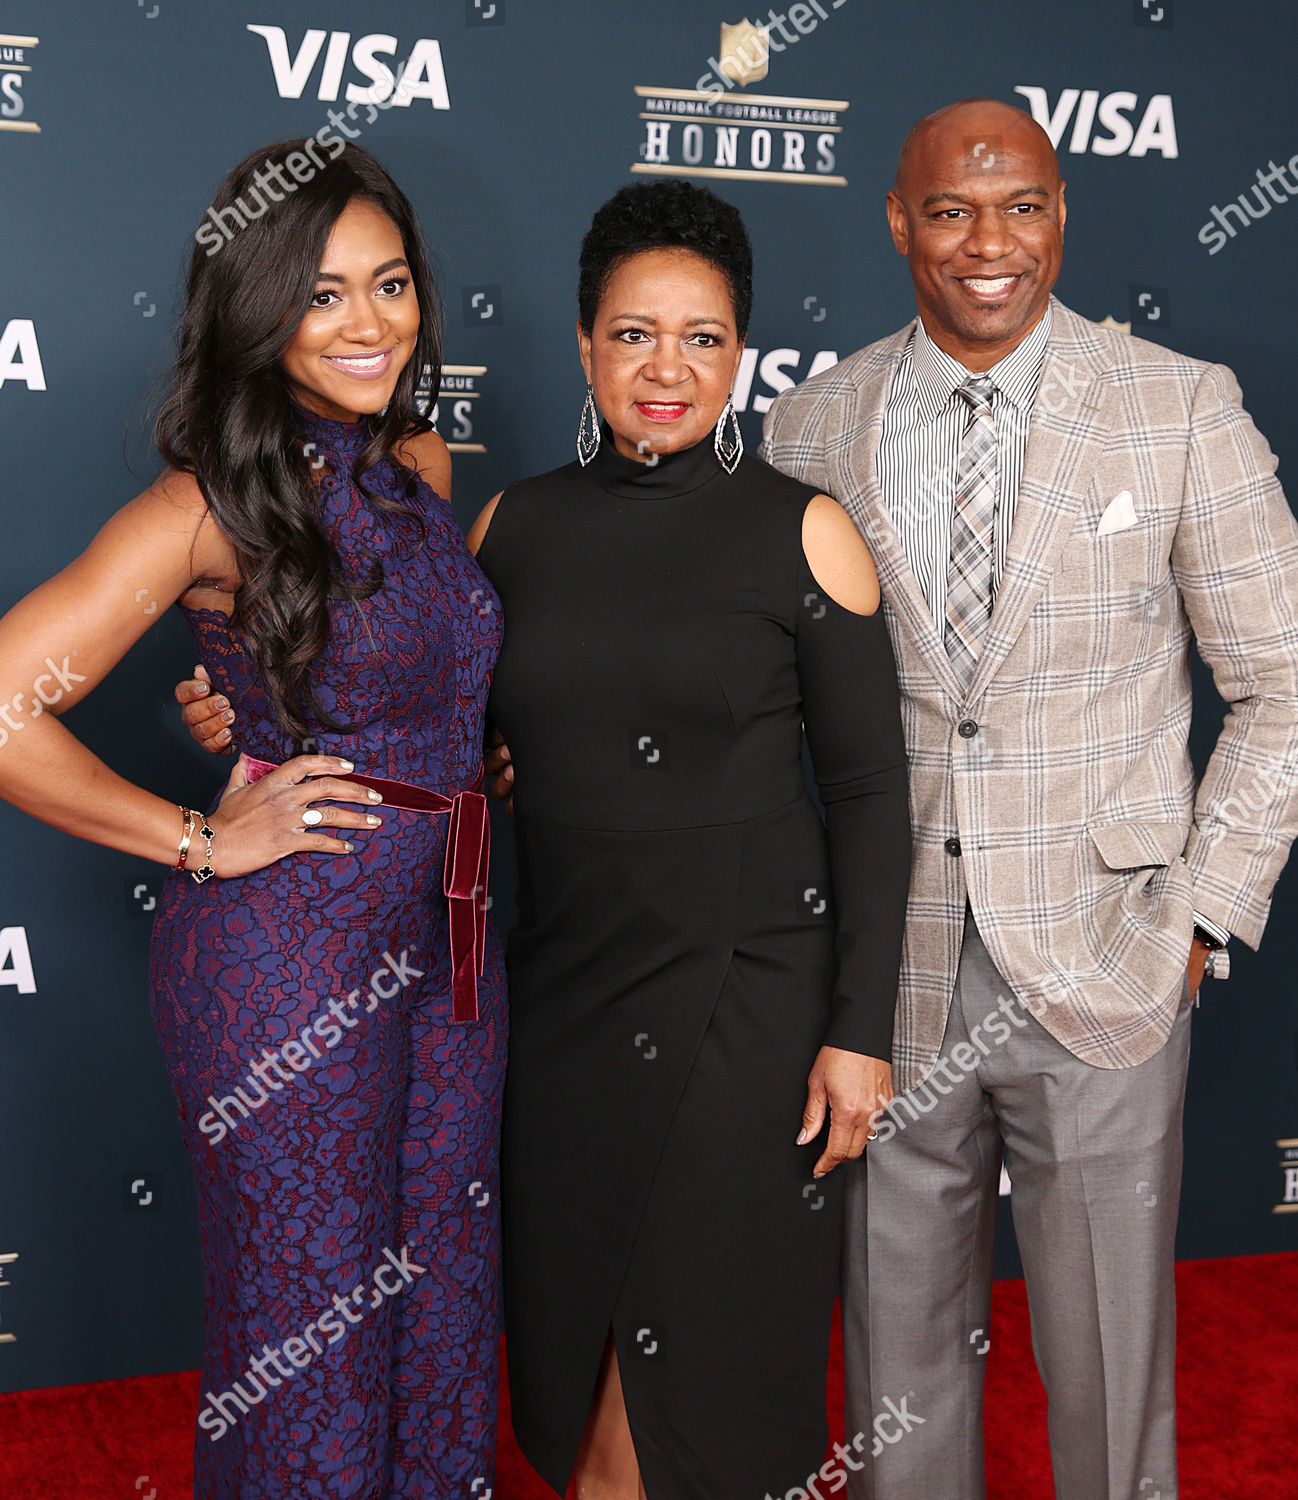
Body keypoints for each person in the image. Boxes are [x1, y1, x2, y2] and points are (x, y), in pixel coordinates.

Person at [182, 178, 913, 1500]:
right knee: (580, 1337)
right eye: (634, 333)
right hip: (559, 993)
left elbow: (870, 794)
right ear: (584, 346)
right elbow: (420, 699)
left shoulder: (803, 531)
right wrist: (231, 709)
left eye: (701, 337)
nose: (666, 368)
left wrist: (860, 1033)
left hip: (744, 996)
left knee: (712, 1341)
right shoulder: (510, 525)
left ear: (739, 354)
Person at [760, 98, 1298, 1500]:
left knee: (1114, 1375)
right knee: (896, 1373)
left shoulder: (1179, 405)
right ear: (897, 222)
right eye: (950, 209)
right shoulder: (813, 425)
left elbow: (1282, 685)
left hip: (1109, 962)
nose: (988, 242)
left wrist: (1200, 915)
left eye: (1021, 206)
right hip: (889, 977)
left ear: (1063, 210)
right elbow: (739, 690)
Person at [0, 139, 508, 1496]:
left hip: (451, 952)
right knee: (311, 1335)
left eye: (389, 284)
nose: (367, 323)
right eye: (322, 293)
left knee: (441, 1305)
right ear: (258, 310)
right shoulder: (202, 507)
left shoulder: (425, 462)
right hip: (288, 966)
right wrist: (206, 837)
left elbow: (408, 689)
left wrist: (468, 768)